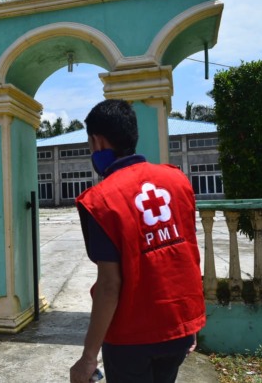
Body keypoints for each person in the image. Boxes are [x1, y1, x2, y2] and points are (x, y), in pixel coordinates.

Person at [69, 100, 206, 383]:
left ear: (97, 141)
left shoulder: (100, 201)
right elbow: (187, 255)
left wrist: (88, 357)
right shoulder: (177, 181)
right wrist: (189, 324)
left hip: (130, 339)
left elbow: (110, 285)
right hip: (176, 331)